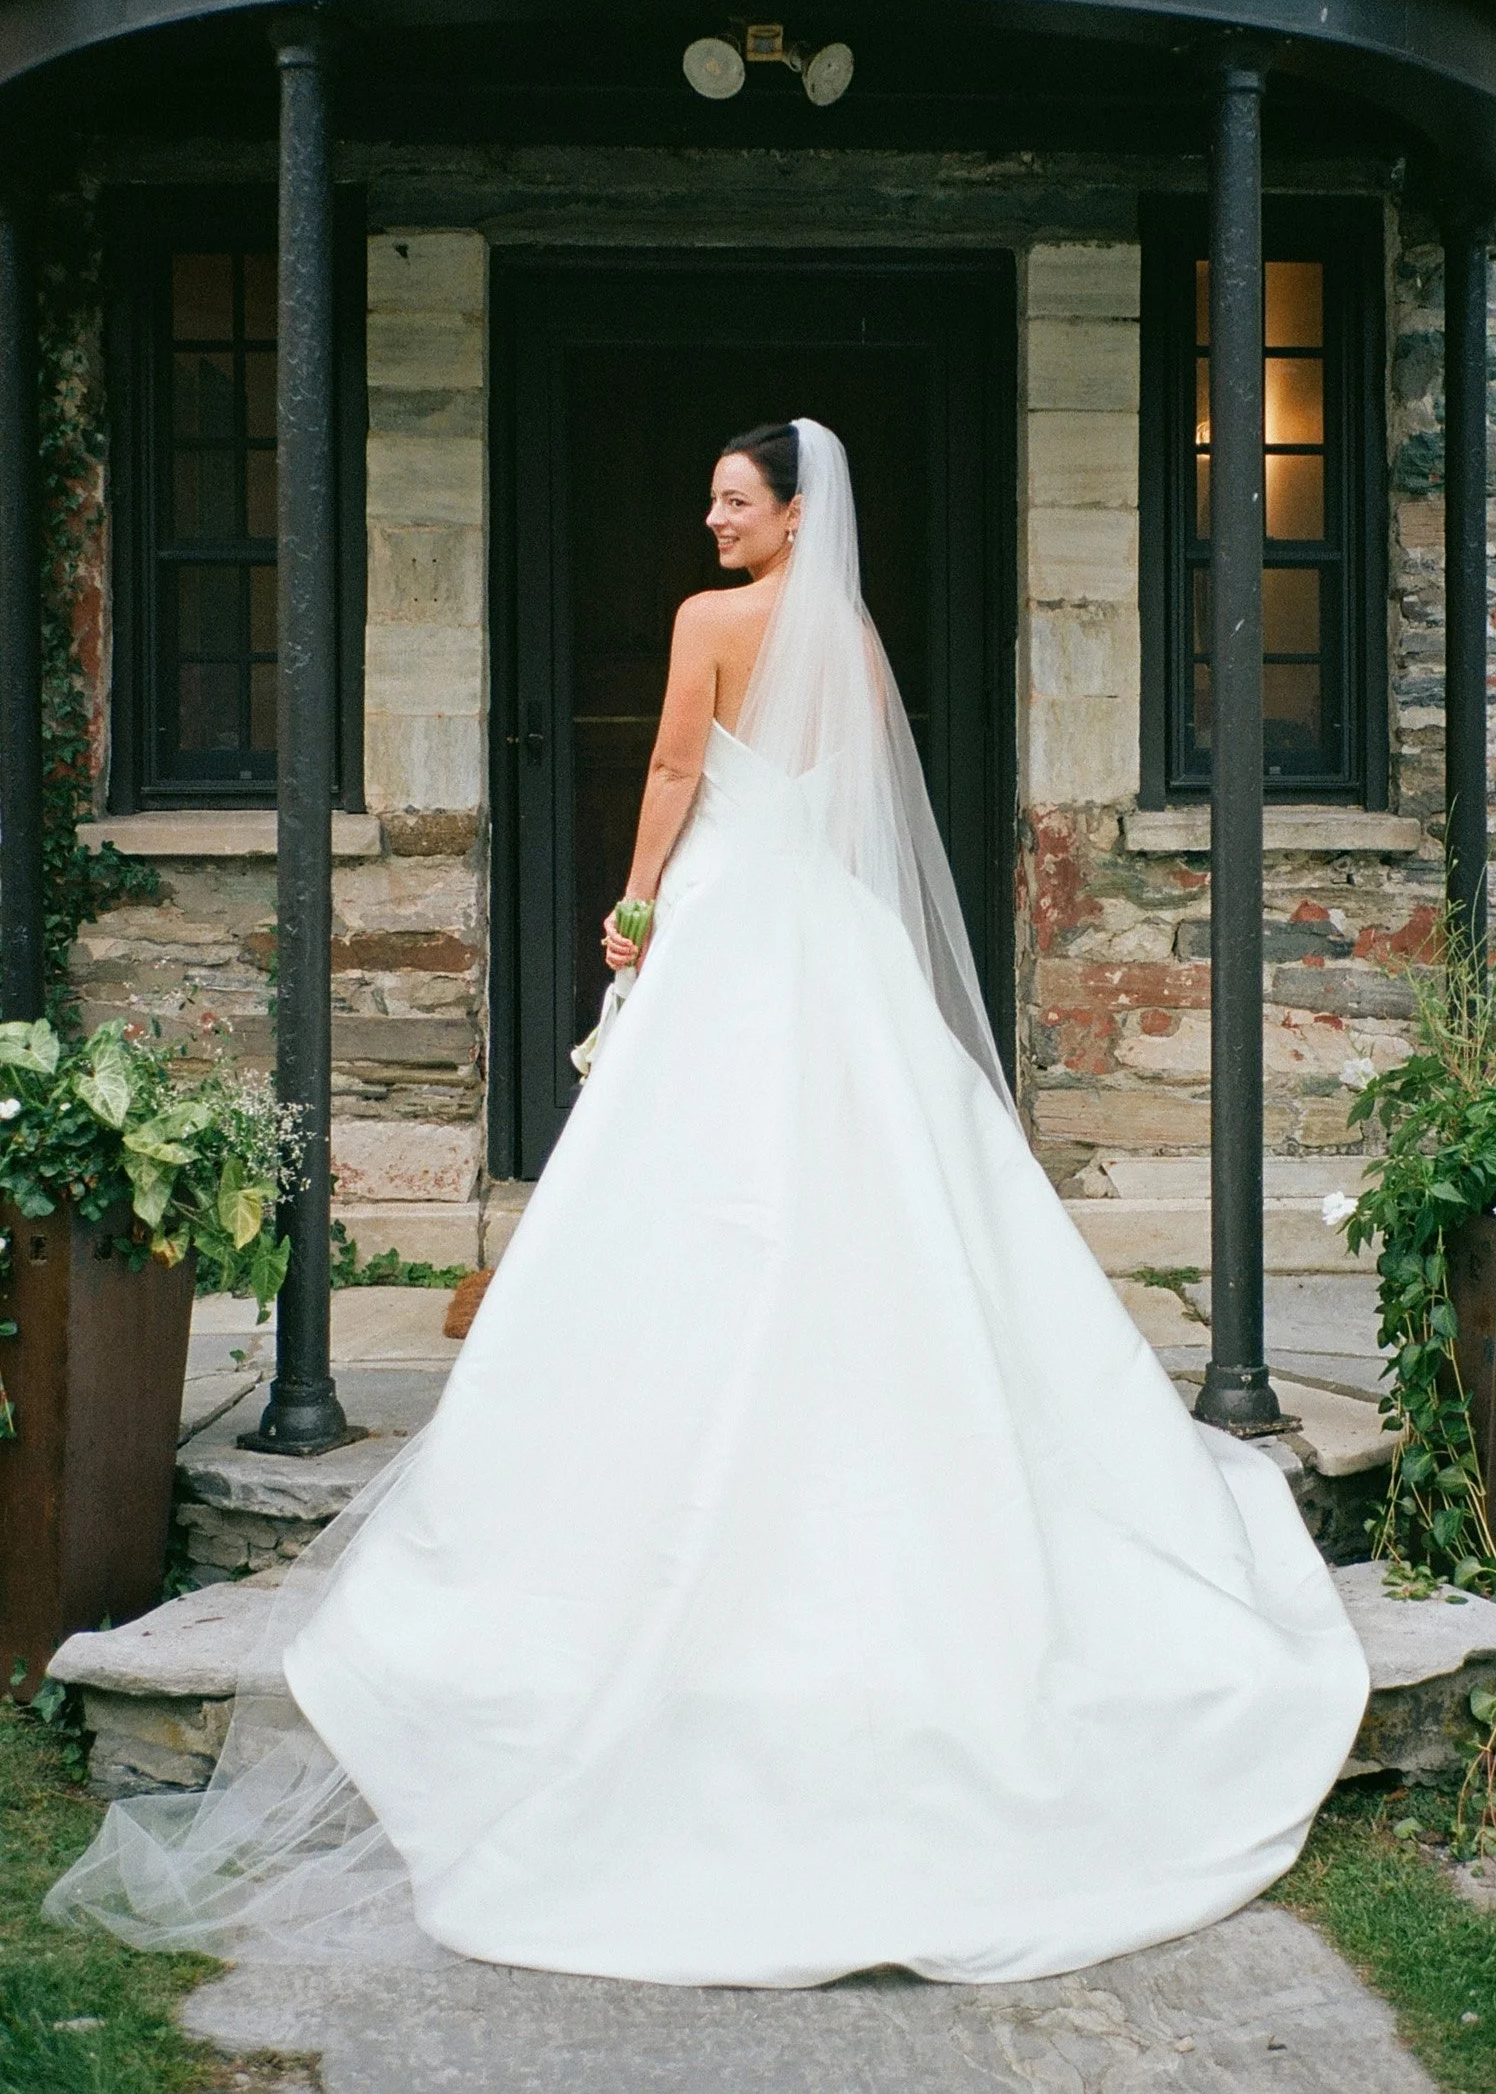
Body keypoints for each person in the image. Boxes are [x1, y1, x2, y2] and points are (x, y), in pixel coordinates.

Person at [46, 415, 1368, 1987]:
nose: (710, 519)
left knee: (696, 1197)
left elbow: (678, 765)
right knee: (890, 1196)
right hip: (830, 932)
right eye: (714, 503)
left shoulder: (708, 627)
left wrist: (634, 913)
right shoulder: (857, 643)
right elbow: (871, 805)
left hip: (736, 918)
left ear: (797, 516)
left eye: (735, 502)